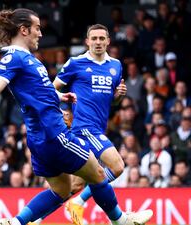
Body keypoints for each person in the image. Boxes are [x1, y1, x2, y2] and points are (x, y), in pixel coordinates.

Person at [0, 9, 152, 225]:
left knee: (61, 190)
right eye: (37, 28)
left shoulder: (28, 60)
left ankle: (15, 222)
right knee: (98, 174)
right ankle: (121, 220)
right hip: (54, 134)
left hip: (39, 138)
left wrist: (60, 97)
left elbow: (38, 92)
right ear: (24, 30)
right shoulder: (14, 58)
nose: (40, 34)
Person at [49, 24, 127, 225]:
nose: (98, 42)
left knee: (74, 185)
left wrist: (117, 97)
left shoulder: (116, 66)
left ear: (108, 41)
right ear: (87, 41)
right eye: (94, 39)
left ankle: (35, 218)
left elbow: (112, 99)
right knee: (117, 166)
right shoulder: (76, 63)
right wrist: (60, 110)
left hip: (99, 128)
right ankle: (79, 203)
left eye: (102, 38)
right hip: (83, 127)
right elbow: (50, 89)